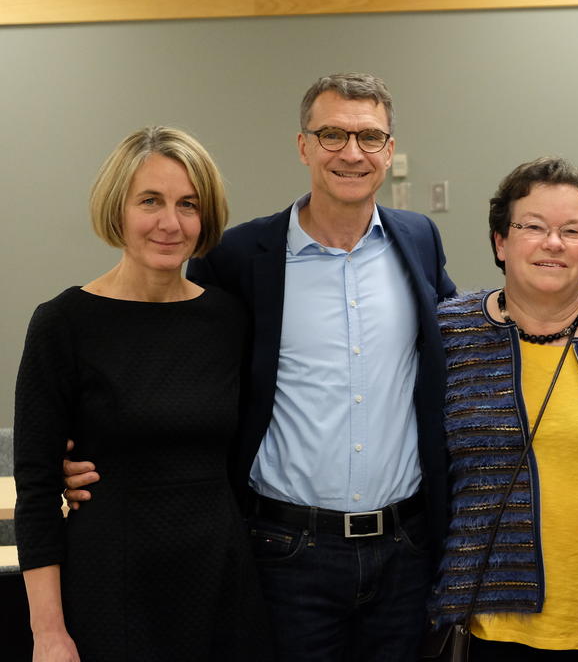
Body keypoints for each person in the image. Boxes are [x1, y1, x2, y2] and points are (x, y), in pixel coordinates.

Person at [64, 74, 456, 661]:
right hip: (286, 552)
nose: (352, 153)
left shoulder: (418, 238)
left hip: (405, 550)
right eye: (332, 135)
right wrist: (86, 450)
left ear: (389, 149)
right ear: (303, 146)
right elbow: (168, 362)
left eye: (370, 137)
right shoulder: (241, 258)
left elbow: (460, 348)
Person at [15, 126, 271, 660]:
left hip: (221, 581)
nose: (169, 223)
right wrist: (48, 633)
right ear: (119, 208)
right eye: (150, 201)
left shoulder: (228, 319)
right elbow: (36, 491)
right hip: (110, 584)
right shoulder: (63, 323)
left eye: (188, 205)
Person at [430, 157, 578, 661]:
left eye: (571, 231)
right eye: (533, 227)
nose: (553, 243)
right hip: (490, 624)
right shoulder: (448, 334)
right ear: (500, 241)